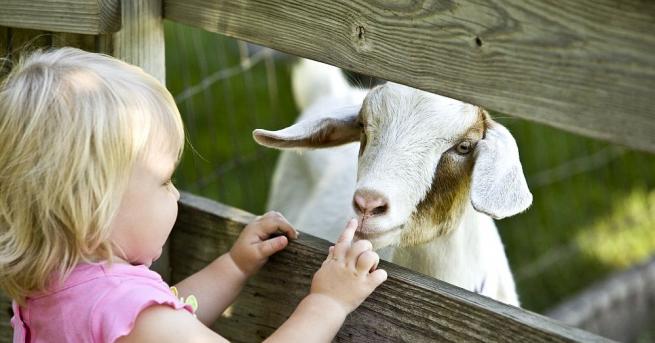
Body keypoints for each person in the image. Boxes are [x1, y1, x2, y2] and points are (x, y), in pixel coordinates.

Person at [0, 48, 387, 342]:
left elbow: (165, 315)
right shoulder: (124, 308)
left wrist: (232, 267)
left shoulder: (58, 284)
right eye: (164, 180)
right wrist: (327, 303)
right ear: (94, 206)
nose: (176, 193)